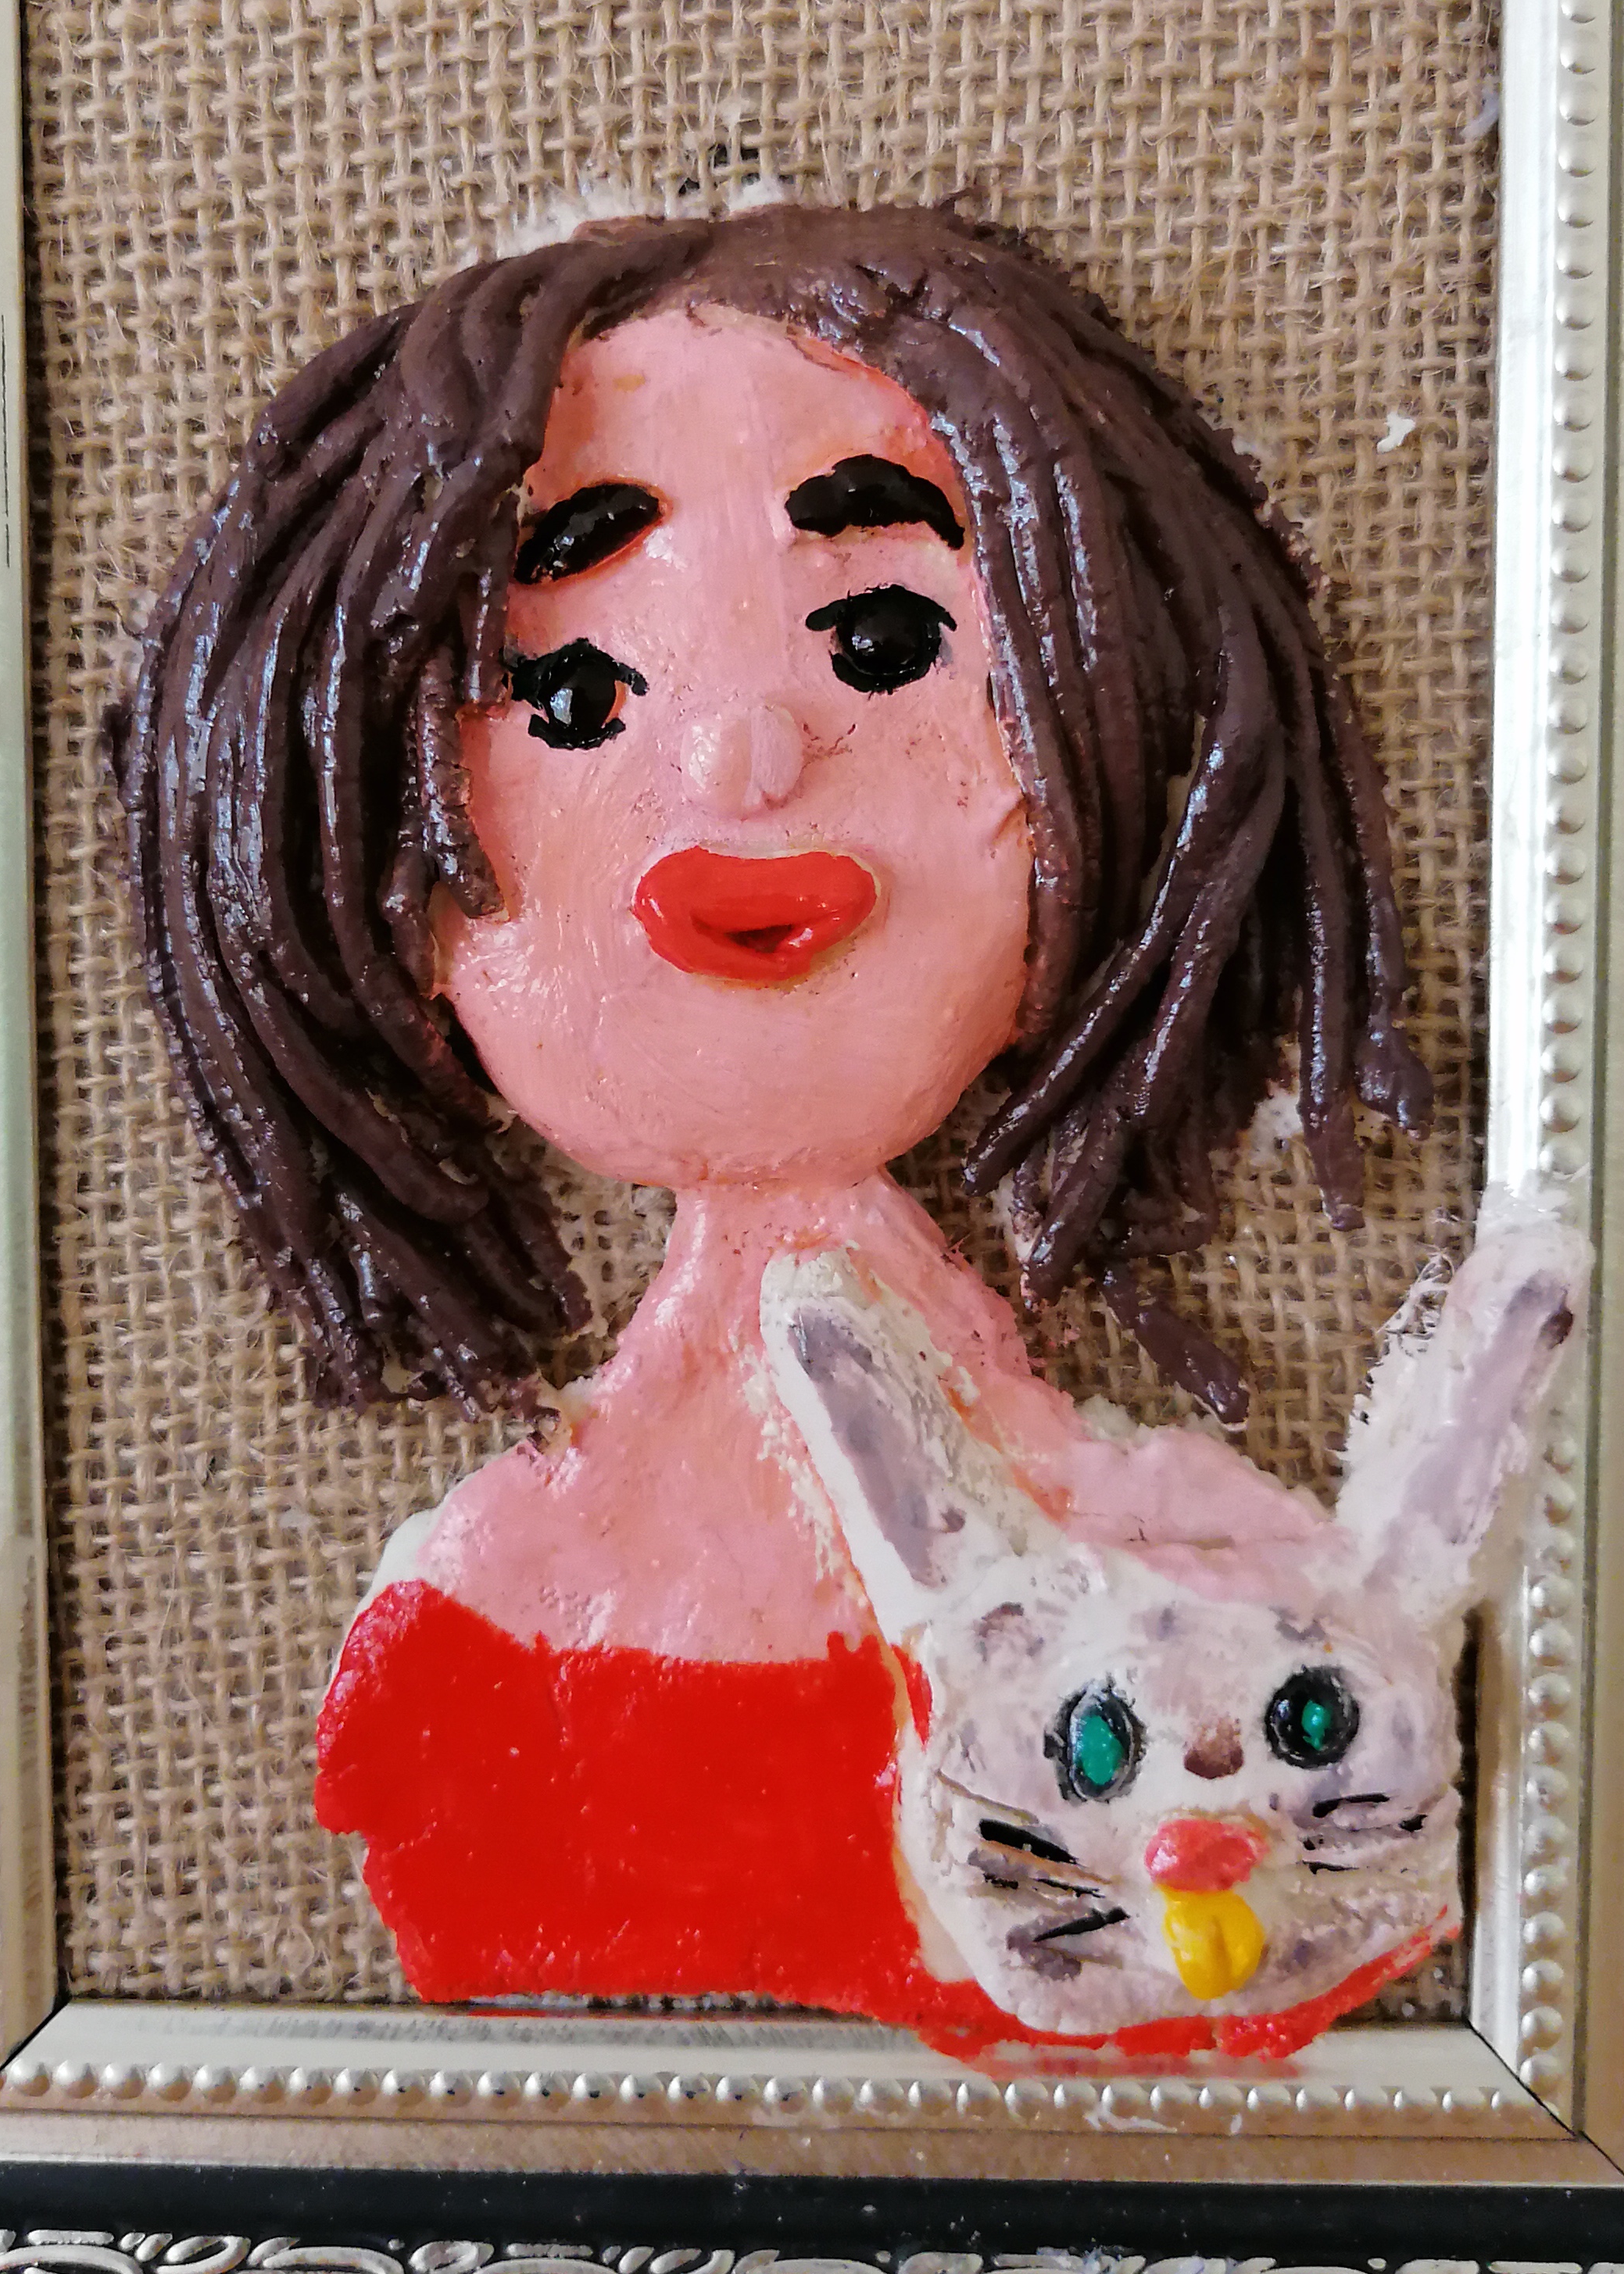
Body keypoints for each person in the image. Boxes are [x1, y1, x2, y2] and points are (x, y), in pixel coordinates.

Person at [121, 202, 1430, 2042]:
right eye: (573, 691)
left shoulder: (1198, 1592)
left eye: (883, 639)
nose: (742, 756)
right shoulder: (485, 1636)